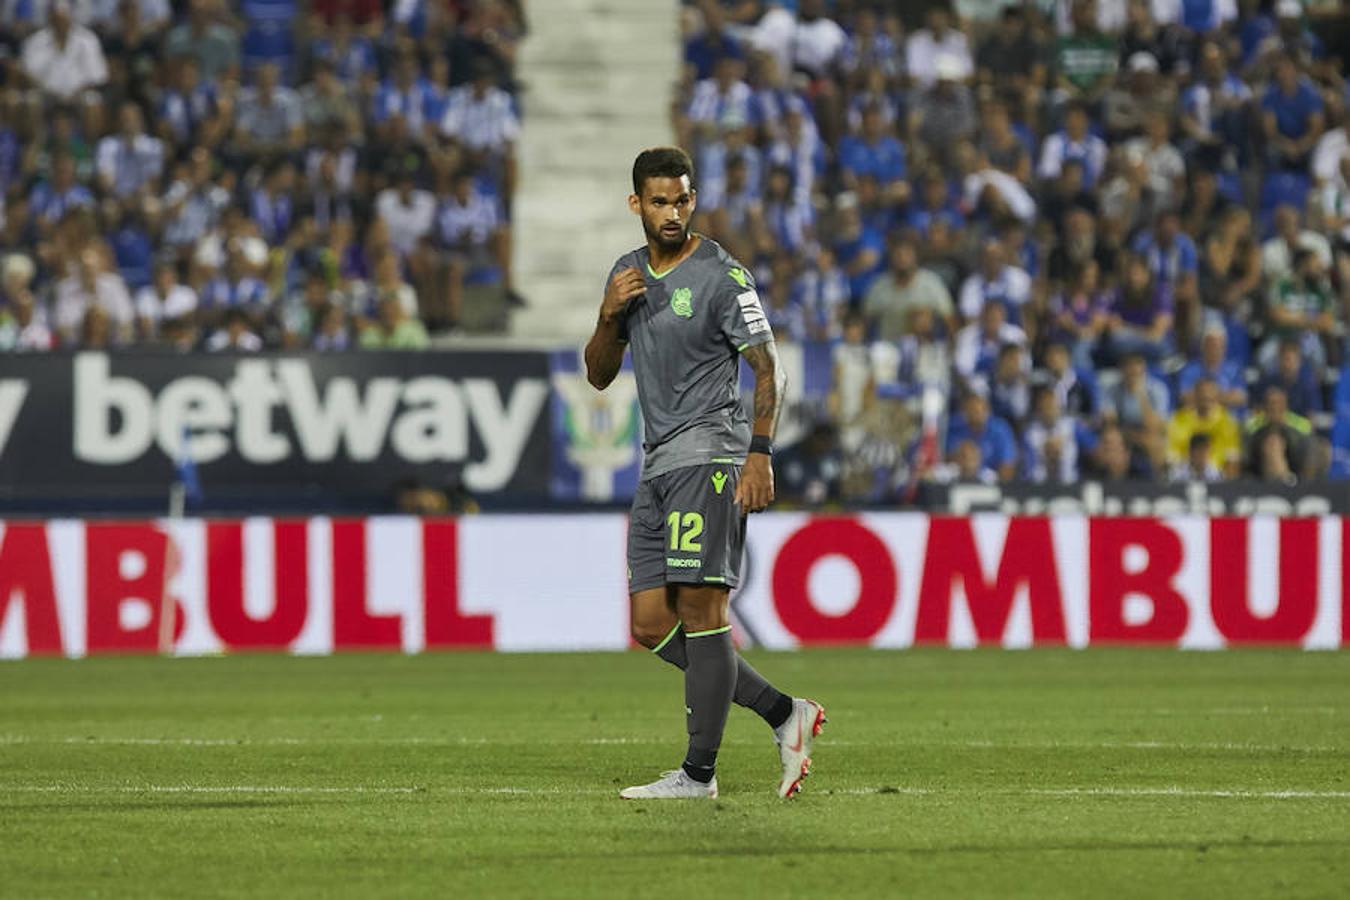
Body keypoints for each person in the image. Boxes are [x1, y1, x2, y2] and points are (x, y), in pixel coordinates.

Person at [585, 147, 823, 801]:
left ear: (694, 199)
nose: (672, 212)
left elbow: (768, 366)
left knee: (701, 609)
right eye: (658, 201)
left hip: (711, 456)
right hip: (657, 463)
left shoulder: (722, 275)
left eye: (681, 200)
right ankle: (784, 712)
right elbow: (599, 375)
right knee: (648, 622)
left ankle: (698, 774)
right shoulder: (627, 276)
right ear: (636, 204)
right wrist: (607, 315)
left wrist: (760, 452)